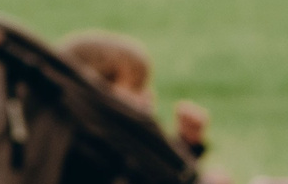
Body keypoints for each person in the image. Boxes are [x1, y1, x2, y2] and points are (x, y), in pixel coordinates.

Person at [58, 28, 208, 158]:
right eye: (136, 87)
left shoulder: (127, 140)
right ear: (98, 91)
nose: (149, 96)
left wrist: (188, 145)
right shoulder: (104, 150)